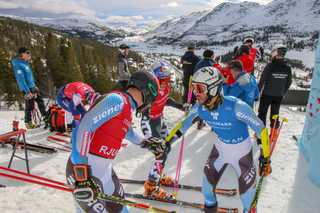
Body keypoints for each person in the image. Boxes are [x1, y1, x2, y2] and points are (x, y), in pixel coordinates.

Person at [171, 67, 271, 213]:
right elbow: (183, 126)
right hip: (220, 150)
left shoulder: (237, 107)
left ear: (213, 89)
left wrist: (265, 156)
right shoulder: (200, 108)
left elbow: (261, 130)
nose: (195, 93)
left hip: (241, 153)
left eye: (199, 88)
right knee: (206, 190)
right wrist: (166, 143)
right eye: (193, 87)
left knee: (248, 202)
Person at [66, 71, 168, 213]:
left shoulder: (127, 107)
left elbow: (127, 132)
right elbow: (83, 129)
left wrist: (146, 143)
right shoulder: (117, 100)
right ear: (148, 91)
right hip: (84, 173)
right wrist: (82, 176)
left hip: (104, 172)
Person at [141, 61, 184, 199]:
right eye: (163, 80)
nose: (166, 83)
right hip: (149, 123)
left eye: (167, 79)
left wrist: (180, 106)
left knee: (166, 149)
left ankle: (158, 175)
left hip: (160, 121)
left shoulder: (165, 87)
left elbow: (166, 99)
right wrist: (149, 137)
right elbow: (144, 114)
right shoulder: (150, 90)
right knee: (161, 152)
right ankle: (151, 187)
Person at [258, 45, 292, 142]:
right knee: (275, 114)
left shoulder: (270, 65)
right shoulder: (288, 67)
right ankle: (273, 135)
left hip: (267, 94)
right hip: (279, 95)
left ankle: (261, 135)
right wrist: (283, 92)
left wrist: (257, 92)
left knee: (262, 113)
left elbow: (262, 80)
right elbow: (289, 82)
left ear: (276, 54)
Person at [11, 47, 46, 129]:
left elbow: (29, 77)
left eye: (29, 52)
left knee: (40, 102)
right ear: (22, 54)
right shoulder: (18, 65)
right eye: (27, 52)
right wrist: (27, 91)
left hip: (32, 87)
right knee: (29, 106)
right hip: (27, 89)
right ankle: (28, 122)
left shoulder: (25, 63)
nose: (29, 54)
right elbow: (21, 79)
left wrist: (34, 86)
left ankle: (46, 117)